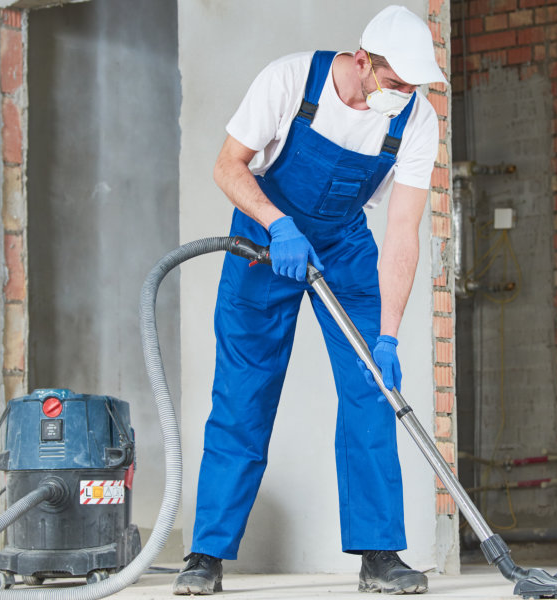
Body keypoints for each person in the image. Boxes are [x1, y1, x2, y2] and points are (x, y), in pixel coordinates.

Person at [174, 5, 444, 597]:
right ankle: (206, 555)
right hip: (263, 240)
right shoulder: (291, 81)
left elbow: (402, 233)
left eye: (412, 87)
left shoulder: (417, 121)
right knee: (243, 395)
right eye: (394, 83)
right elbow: (228, 165)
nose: (402, 96)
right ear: (362, 60)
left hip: (345, 245)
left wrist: (390, 334)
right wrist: (276, 222)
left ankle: (380, 555)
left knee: (374, 388)